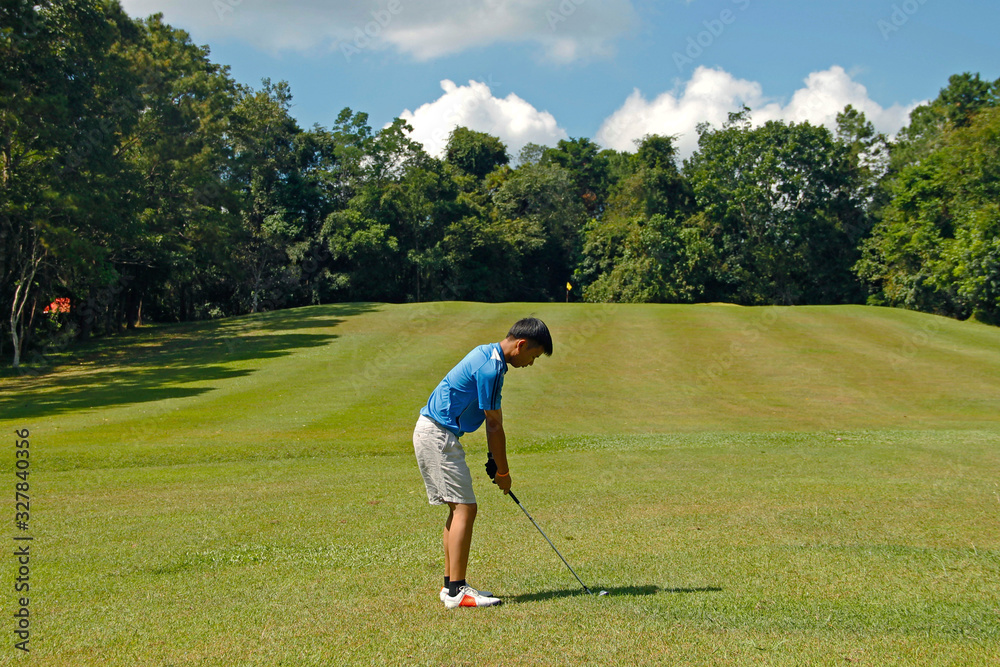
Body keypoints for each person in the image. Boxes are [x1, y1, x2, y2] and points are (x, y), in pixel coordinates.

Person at [413, 317, 553, 609]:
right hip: (438, 435)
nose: (531, 363)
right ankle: (457, 592)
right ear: (522, 344)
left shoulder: (490, 358)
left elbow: (489, 422)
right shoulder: (490, 368)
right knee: (465, 508)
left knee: (458, 507)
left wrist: (493, 458)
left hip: (435, 433)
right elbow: (493, 425)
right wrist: (503, 471)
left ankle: (451, 586)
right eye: (533, 356)